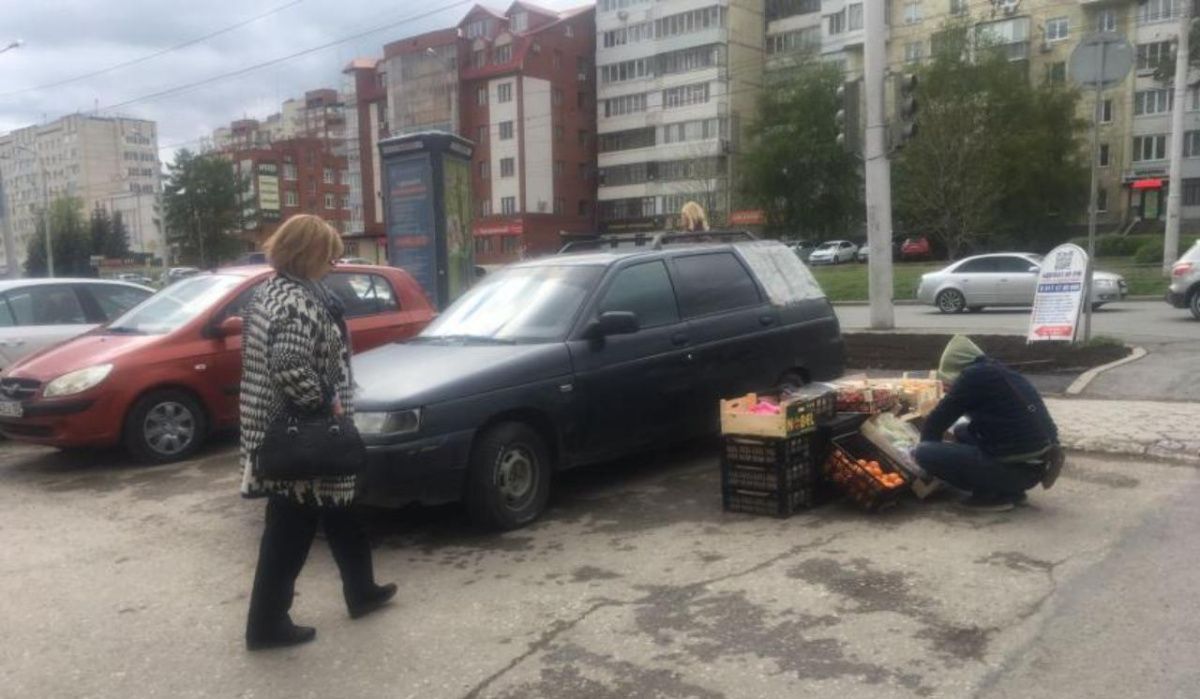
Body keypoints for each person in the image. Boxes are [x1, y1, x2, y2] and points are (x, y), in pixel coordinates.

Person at [240, 214, 396, 650]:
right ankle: (267, 624)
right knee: (289, 531)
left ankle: (361, 590)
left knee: (344, 510)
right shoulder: (294, 301)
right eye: (329, 254)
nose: (334, 262)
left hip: (292, 430)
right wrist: (324, 403)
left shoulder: (278, 290)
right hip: (301, 436)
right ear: (307, 253)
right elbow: (290, 367)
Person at [913, 335, 1064, 512]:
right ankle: (1009, 490)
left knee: (924, 452)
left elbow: (936, 422)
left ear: (955, 367)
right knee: (962, 430)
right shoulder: (997, 371)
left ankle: (991, 494)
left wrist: (926, 459)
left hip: (1016, 470)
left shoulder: (972, 377)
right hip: (1036, 466)